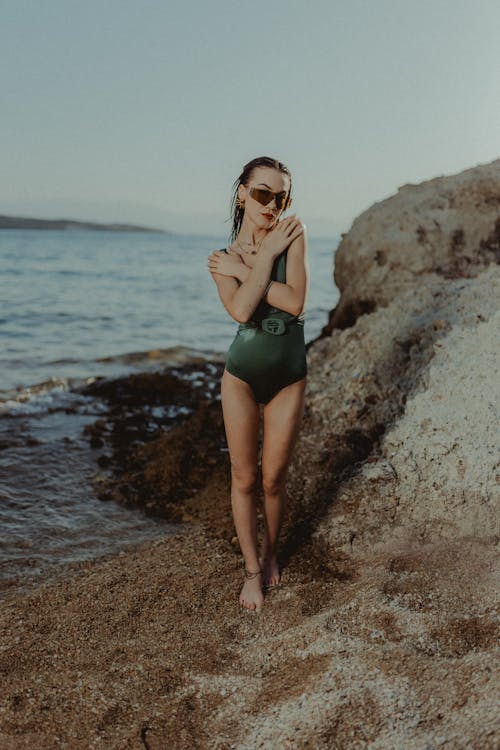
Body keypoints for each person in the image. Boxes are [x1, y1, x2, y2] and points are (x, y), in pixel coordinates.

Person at [207, 156, 309, 612]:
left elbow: (294, 301)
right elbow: (242, 312)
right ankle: (252, 570)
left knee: (273, 479)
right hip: (242, 374)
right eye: (263, 193)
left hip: (289, 373)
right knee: (244, 477)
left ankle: (272, 554)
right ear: (242, 193)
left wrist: (257, 262)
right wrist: (259, 263)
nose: (272, 204)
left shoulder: (291, 235)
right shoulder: (219, 259)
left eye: (280, 196)